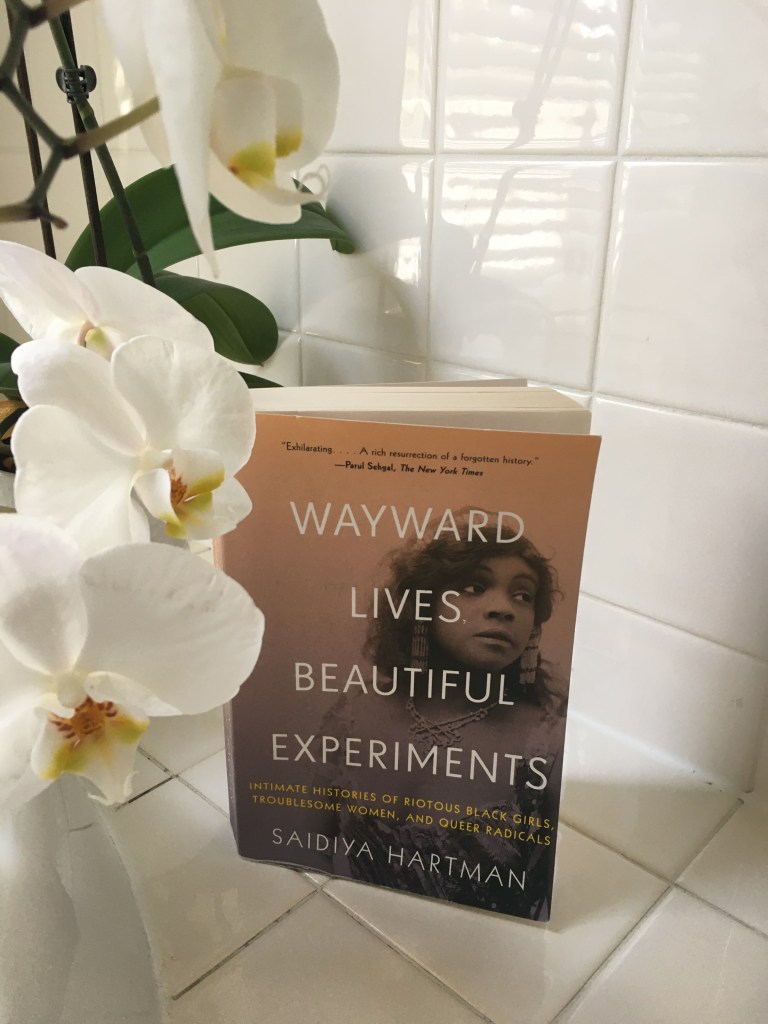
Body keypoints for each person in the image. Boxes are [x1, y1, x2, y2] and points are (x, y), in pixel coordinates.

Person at [316, 509, 567, 920]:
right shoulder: (353, 714)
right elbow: (307, 847)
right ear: (423, 604)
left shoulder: (547, 745)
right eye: (474, 586)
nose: (504, 608)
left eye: (523, 595)